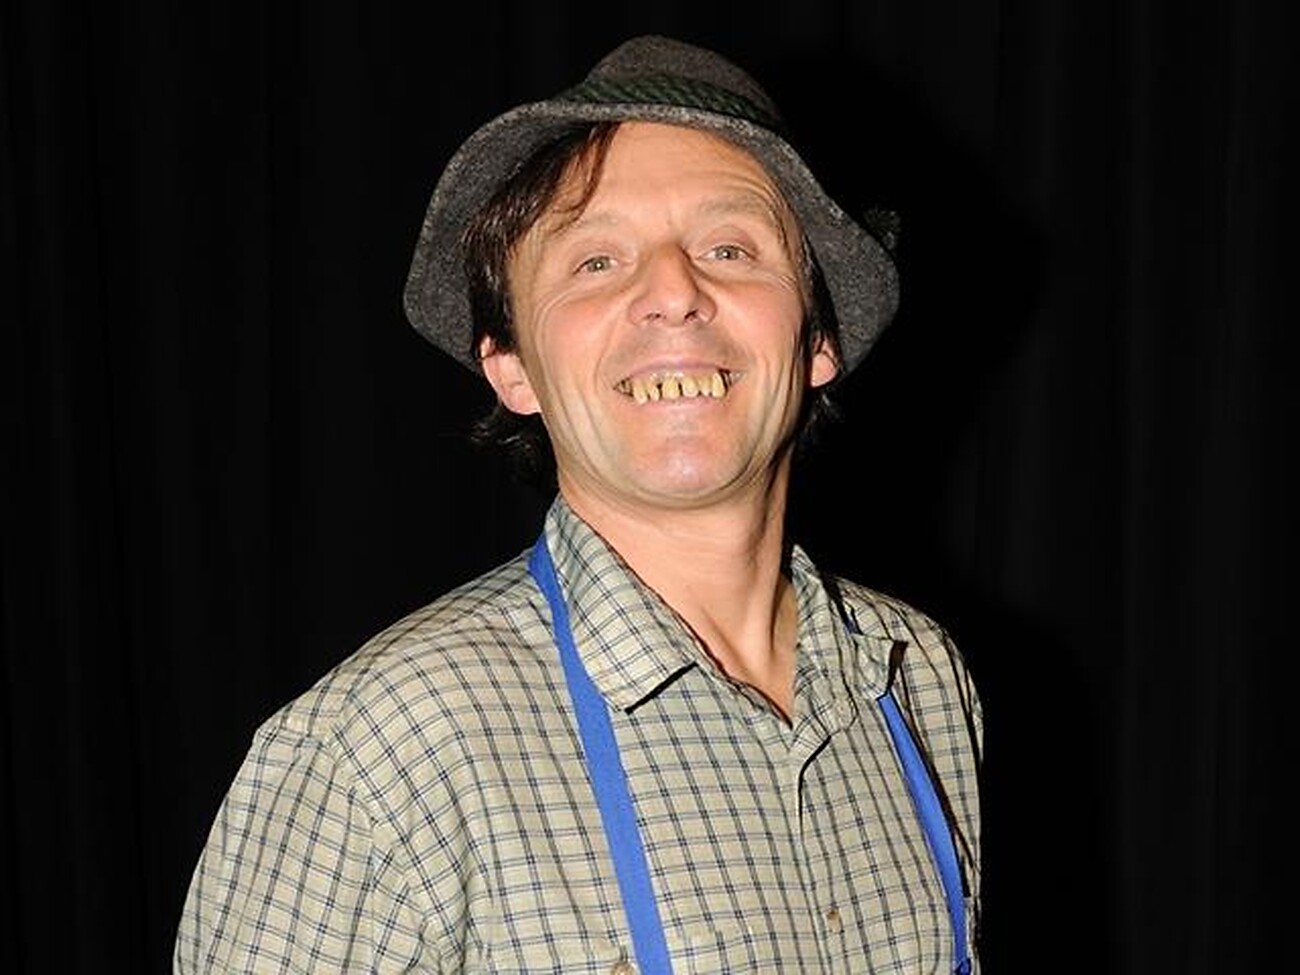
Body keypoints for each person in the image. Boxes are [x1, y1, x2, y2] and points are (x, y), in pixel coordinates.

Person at [175, 34, 983, 974]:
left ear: (816, 343)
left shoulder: (920, 677)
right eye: (596, 261)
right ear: (510, 365)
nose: (674, 292)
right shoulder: (379, 754)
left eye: (729, 247)